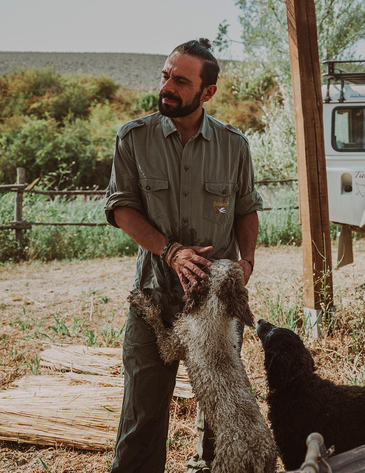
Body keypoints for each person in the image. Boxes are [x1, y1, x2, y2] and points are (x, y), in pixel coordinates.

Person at [104, 38, 262, 472]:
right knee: (142, 414)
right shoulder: (134, 138)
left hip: (215, 304)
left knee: (220, 413)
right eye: (165, 75)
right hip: (153, 296)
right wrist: (170, 251)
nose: (167, 86)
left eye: (180, 80)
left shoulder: (234, 145)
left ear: (207, 92)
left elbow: (247, 210)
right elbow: (120, 208)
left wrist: (246, 264)